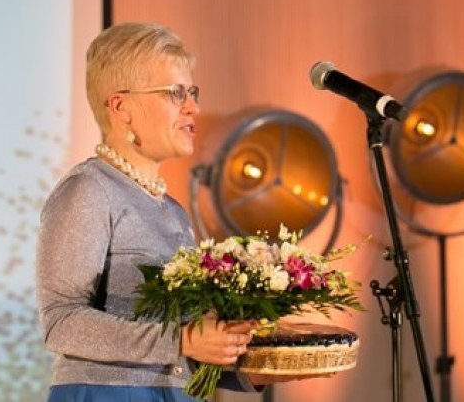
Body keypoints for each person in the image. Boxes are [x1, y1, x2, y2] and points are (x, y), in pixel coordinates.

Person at [36, 22, 301, 401]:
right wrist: (182, 339)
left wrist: (256, 366)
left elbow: (180, 351)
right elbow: (61, 322)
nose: (194, 107)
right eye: (176, 93)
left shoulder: (173, 212)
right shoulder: (88, 190)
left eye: (192, 92)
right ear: (121, 107)